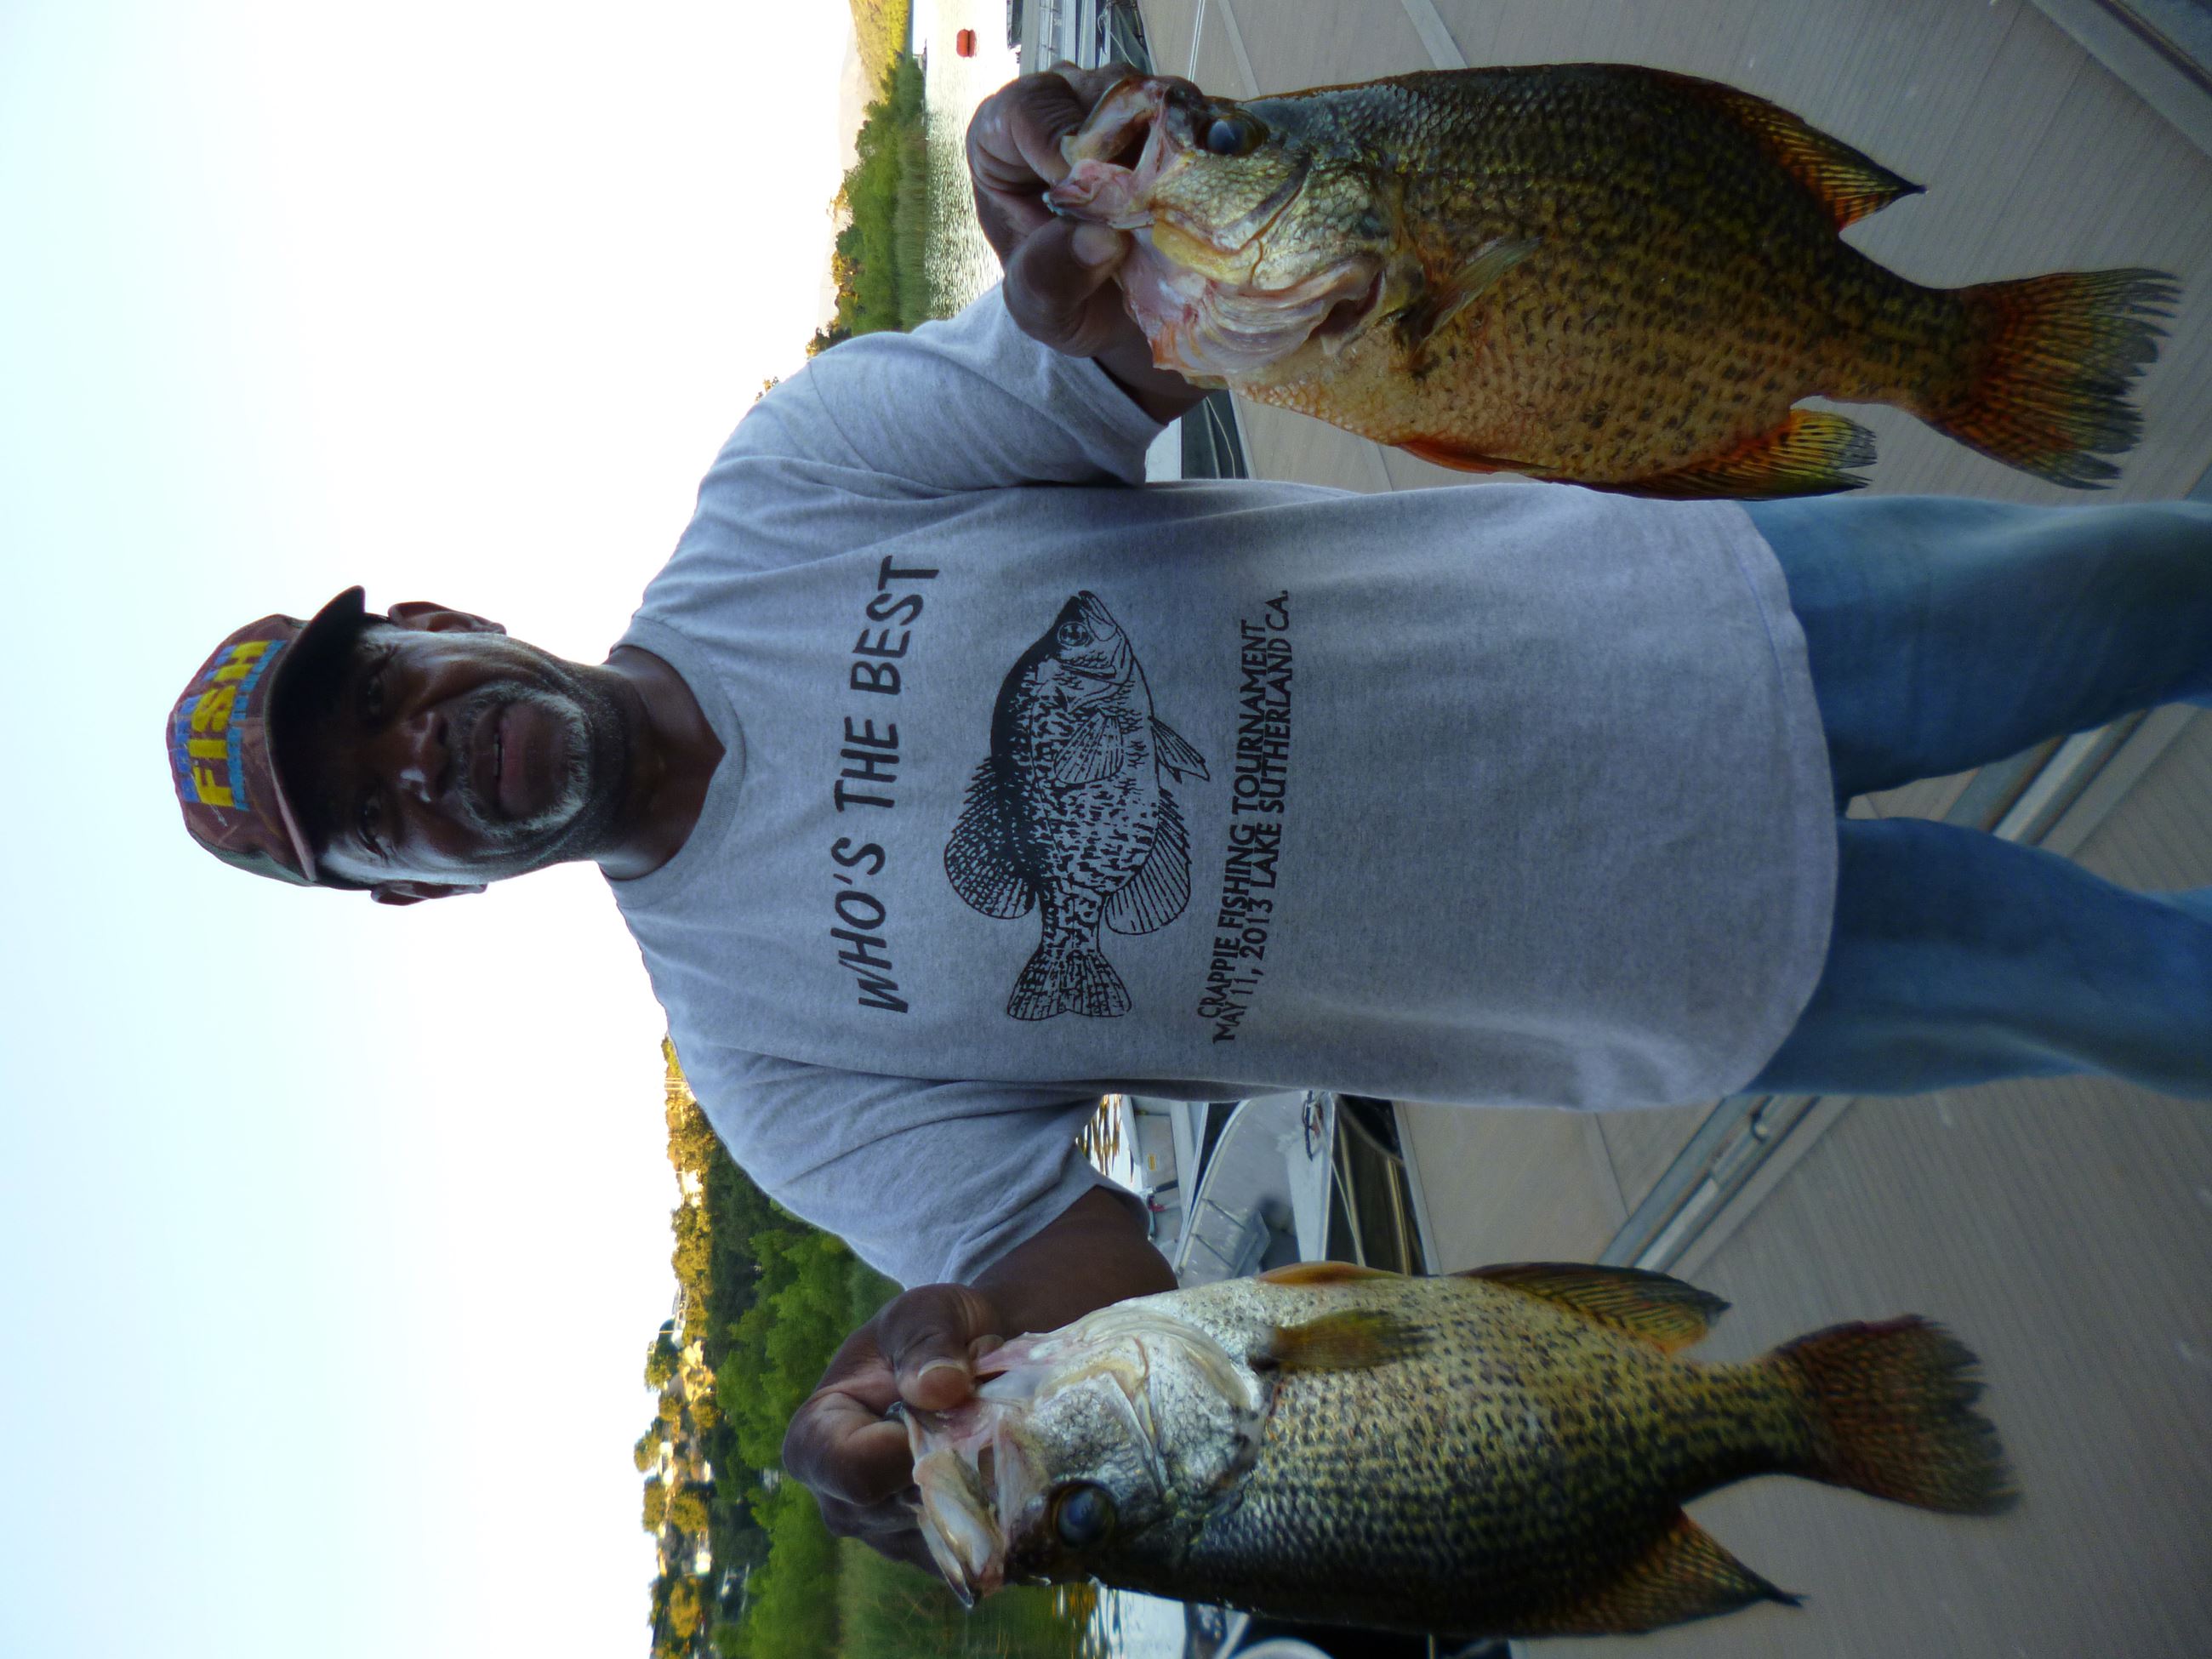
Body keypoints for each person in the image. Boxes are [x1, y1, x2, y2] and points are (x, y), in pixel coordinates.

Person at [166, 66, 2210, 1574]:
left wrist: (1069, 190)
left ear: (435, 624)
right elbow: (1096, 1295)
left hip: (1697, 624)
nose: (418, 762)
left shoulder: (782, 494)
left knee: (2182, 588)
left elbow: (1108, 332)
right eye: (374, 815)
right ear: (416, 892)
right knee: (2163, 995)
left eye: (380, 706)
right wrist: (951, 1396)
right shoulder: (768, 1064)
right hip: (1685, 970)